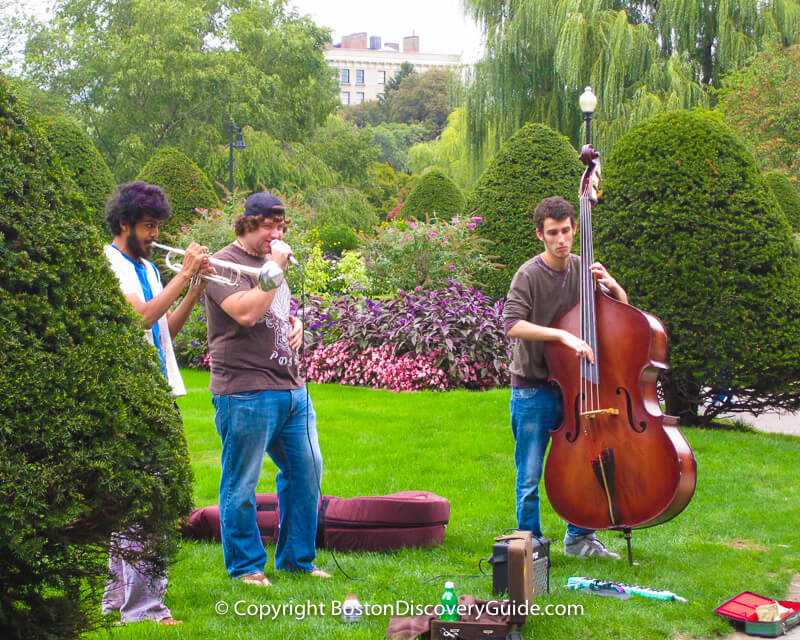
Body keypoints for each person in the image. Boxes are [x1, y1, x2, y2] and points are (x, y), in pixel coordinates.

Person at [203, 191, 328, 586]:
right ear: (247, 223)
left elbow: (272, 308)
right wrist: (275, 267)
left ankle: (297, 561)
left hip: (292, 387)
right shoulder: (222, 264)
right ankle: (246, 567)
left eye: (280, 226)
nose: (276, 234)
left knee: (307, 470)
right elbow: (245, 311)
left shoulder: (268, 263)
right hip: (244, 389)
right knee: (242, 480)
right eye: (268, 226)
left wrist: (294, 322)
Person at [102, 180, 213, 625]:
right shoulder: (109, 263)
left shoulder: (145, 267)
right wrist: (184, 273)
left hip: (157, 392)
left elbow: (164, 329)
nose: (154, 235)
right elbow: (139, 318)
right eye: (148, 226)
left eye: (157, 226)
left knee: (134, 502)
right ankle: (146, 609)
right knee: (149, 503)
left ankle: (117, 603)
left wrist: (195, 290)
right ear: (123, 222)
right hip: (132, 398)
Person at [502, 195, 628, 560]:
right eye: (553, 233)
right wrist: (562, 335)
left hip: (578, 390)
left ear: (575, 229)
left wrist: (614, 287)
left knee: (588, 465)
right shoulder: (528, 275)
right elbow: (512, 325)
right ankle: (531, 546)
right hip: (533, 388)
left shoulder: (583, 268)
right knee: (529, 476)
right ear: (540, 235)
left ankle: (580, 539)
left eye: (567, 231)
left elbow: (618, 315)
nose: (562, 240)